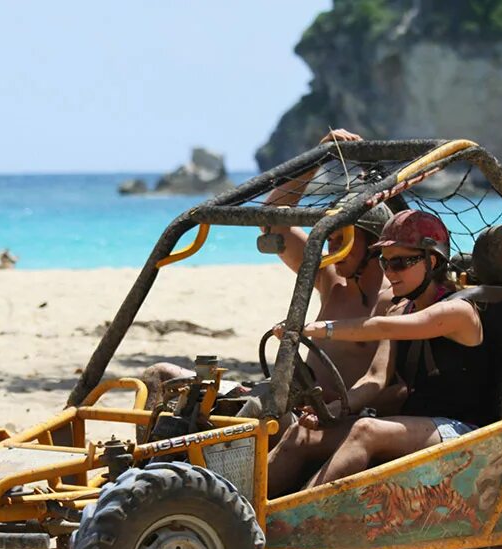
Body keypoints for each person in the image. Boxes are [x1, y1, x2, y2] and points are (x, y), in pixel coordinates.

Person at [141, 129, 394, 427]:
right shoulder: (331, 280)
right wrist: (317, 160)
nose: (332, 248)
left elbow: (390, 386)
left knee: (255, 415)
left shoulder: (393, 300)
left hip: (320, 418)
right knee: (158, 377)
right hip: (286, 398)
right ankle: (149, 462)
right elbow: (273, 222)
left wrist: (337, 408)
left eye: (343, 239)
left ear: (374, 244)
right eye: (330, 238)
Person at [267, 210, 489, 497]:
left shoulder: (459, 312)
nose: (390, 272)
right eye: (385, 262)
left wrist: (312, 329)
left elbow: (382, 326)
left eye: (400, 263)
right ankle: (245, 517)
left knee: (366, 431)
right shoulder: (402, 307)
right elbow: (376, 377)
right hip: (414, 423)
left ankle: (292, 520)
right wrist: (335, 409)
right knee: (301, 434)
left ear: (431, 261)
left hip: (461, 430)